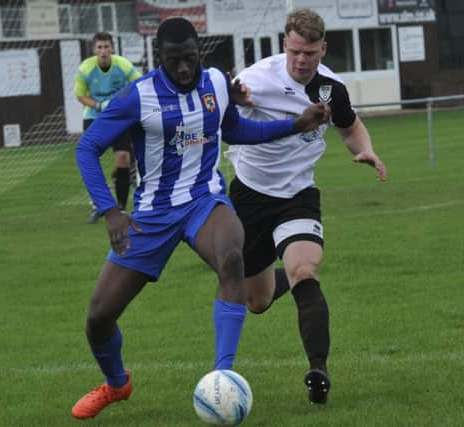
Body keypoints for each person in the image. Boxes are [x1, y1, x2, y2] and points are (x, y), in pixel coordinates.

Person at [71, 17, 329, 420]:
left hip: (204, 202)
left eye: (191, 58)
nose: (185, 68)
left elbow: (238, 131)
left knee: (231, 258)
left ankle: (222, 376)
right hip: (151, 216)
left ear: (199, 52)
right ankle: (117, 384)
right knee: (98, 318)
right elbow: (87, 148)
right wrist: (110, 211)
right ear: (160, 58)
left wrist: (294, 125)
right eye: (175, 61)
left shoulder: (216, 84)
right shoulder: (137, 97)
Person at [225, 8, 387, 405]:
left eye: (310, 54)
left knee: (305, 268)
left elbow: (350, 127)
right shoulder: (254, 79)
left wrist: (365, 150)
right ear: (285, 45)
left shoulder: (332, 88)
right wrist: (233, 100)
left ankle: (318, 371)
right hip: (249, 197)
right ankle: (281, 276)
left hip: (298, 195)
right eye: (296, 52)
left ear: (323, 50)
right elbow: (223, 116)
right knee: (257, 301)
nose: (302, 61)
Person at [74, 31, 142, 223]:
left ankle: (120, 207)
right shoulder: (85, 68)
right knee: (90, 158)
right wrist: (98, 105)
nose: (103, 51)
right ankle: (97, 205)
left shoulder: (123, 65)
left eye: (106, 47)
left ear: (112, 48)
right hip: (94, 116)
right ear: (94, 50)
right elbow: (80, 95)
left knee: (123, 159)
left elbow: (139, 84)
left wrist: (124, 102)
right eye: (99, 47)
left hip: (119, 116)